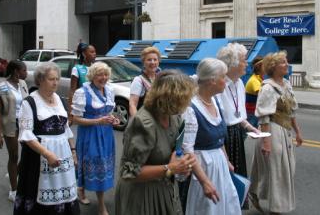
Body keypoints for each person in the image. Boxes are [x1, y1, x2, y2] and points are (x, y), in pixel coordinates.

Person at [115, 70, 197, 215]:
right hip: (142, 194)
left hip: (164, 188)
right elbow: (128, 172)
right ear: (171, 98)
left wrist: (181, 158)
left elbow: (173, 148)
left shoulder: (174, 117)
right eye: (185, 98)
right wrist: (170, 168)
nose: (189, 102)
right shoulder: (143, 123)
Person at [14, 62, 80, 215]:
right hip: (38, 159)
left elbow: (66, 129)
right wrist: (47, 154)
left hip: (62, 156)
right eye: (51, 79)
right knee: (39, 195)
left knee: (64, 191)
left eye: (57, 78)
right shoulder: (29, 103)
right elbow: (26, 135)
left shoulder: (60, 100)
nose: (56, 82)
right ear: (40, 80)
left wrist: (73, 151)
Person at [182, 58, 241, 215]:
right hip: (202, 167)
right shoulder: (190, 109)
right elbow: (188, 149)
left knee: (225, 205)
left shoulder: (215, 100)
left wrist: (226, 160)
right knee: (206, 209)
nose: (226, 80)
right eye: (223, 77)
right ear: (212, 81)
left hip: (219, 164)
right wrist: (205, 182)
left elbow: (219, 138)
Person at [249, 51, 303, 214]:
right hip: (271, 131)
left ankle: (254, 191)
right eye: (283, 63)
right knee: (276, 171)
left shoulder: (286, 84)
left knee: (287, 168)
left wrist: (298, 132)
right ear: (273, 67)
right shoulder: (267, 88)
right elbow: (264, 116)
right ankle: (276, 208)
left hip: (285, 132)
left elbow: (291, 112)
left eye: (286, 62)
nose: (287, 65)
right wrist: (266, 142)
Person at [70, 62, 120, 215]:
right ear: (92, 76)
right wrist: (97, 121)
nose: (103, 78)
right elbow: (76, 119)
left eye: (105, 74)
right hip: (90, 134)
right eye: (99, 74)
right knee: (92, 163)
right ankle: (101, 206)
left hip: (106, 134)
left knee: (103, 164)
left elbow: (108, 113)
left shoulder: (110, 90)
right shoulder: (82, 92)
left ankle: (81, 190)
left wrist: (113, 119)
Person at [216, 43, 260, 209]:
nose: (247, 64)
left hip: (236, 135)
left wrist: (251, 128)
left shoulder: (239, 83)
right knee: (223, 181)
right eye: (244, 60)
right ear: (232, 64)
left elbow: (239, 116)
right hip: (222, 137)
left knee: (236, 179)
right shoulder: (218, 84)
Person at [0, 60, 29, 202]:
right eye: (24, 71)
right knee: (14, 156)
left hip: (25, 124)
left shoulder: (23, 84)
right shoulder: (2, 87)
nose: (26, 73)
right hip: (10, 125)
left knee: (28, 153)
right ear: (16, 71)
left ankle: (15, 172)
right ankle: (14, 190)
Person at [68, 42, 96, 205]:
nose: (94, 54)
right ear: (84, 54)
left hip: (95, 113)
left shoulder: (97, 67)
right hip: (82, 113)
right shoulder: (77, 69)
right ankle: (79, 188)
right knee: (82, 152)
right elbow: (72, 90)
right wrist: (71, 112)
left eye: (95, 51)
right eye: (91, 51)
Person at [129, 46, 161, 116]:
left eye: (155, 59)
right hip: (146, 122)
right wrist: (138, 123)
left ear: (158, 62)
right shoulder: (138, 80)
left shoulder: (160, 78)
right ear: (143, 62)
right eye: (149, 60)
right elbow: (132, 105)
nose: (152, 62)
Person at [245, 56, 264, 129]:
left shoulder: (259, 79)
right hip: (251, 112)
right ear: (259, 67)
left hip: (255, 111)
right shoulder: (254, 80)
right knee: (246, 133)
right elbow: (262, 93)